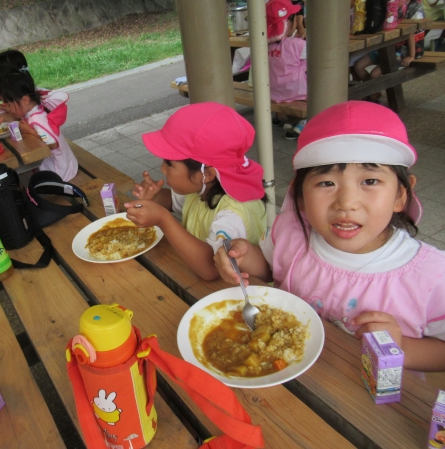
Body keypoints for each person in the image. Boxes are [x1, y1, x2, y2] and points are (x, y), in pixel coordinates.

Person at [214, 101, 445, 372]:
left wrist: (401, 347)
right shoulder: (291, 233)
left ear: (400, 195)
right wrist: (242, 254)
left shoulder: (433, 277)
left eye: (370, 181)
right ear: (300, 196)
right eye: (326, 183)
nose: (346, 202)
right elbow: (266, 270)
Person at [124, 102, 267, 281]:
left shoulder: (233, 215)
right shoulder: (201, 188)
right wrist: (154, 197)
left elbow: (210, 269)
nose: (162, 169)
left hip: (235, 290)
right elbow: (173, 202)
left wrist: (163, 219)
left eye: (169, 164)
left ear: (206, 174)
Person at [0, 66, 78, 181]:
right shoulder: (32, 110)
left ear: (25, 100)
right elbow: (19, 117)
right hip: (62, 164)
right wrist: (4, 118)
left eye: (9, 104)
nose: (7, 108)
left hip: (61, 171)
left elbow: (52, 144)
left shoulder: (38, 119)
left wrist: (29, 131)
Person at [353, 0, 426, 102]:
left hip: (402, 50)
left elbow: (410, 33)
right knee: (358, 66)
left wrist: (411, 55)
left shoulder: (413, 8)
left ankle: (372, 95)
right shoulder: (387, 6)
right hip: (384, 46)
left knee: (374, 74)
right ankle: (373, 92)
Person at [266, 0, 308, 139]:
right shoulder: (298, 44)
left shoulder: (266, 45)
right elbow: (317, 56)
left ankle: (286, 120)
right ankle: (303, 121)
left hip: (274, 93)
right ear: (288, 23)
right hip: (296, 93)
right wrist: (301, 29)